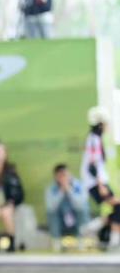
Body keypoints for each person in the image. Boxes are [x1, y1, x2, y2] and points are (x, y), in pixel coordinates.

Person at [82, 106, 120, 249]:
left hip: (98, 181)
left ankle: (91, 228)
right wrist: (101, 185)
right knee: (118, 205)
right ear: (100, 124)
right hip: (95, 182)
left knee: (116, 208)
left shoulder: (98, 139)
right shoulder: (94, 139)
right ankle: (113, 241)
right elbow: (93, 165)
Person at [44, 163, 90, 251]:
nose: (63, 178)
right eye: (60, 176)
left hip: (76, 221)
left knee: (83, 209)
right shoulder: (51, 189)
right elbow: (51, 207)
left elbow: (80, 205)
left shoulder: (79, 186)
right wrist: (61, 191)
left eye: (65, 175)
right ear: (56, 177)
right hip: (61, 222)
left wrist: (69, 190)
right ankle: (56, 243)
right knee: (51, 212)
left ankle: (82, 241)